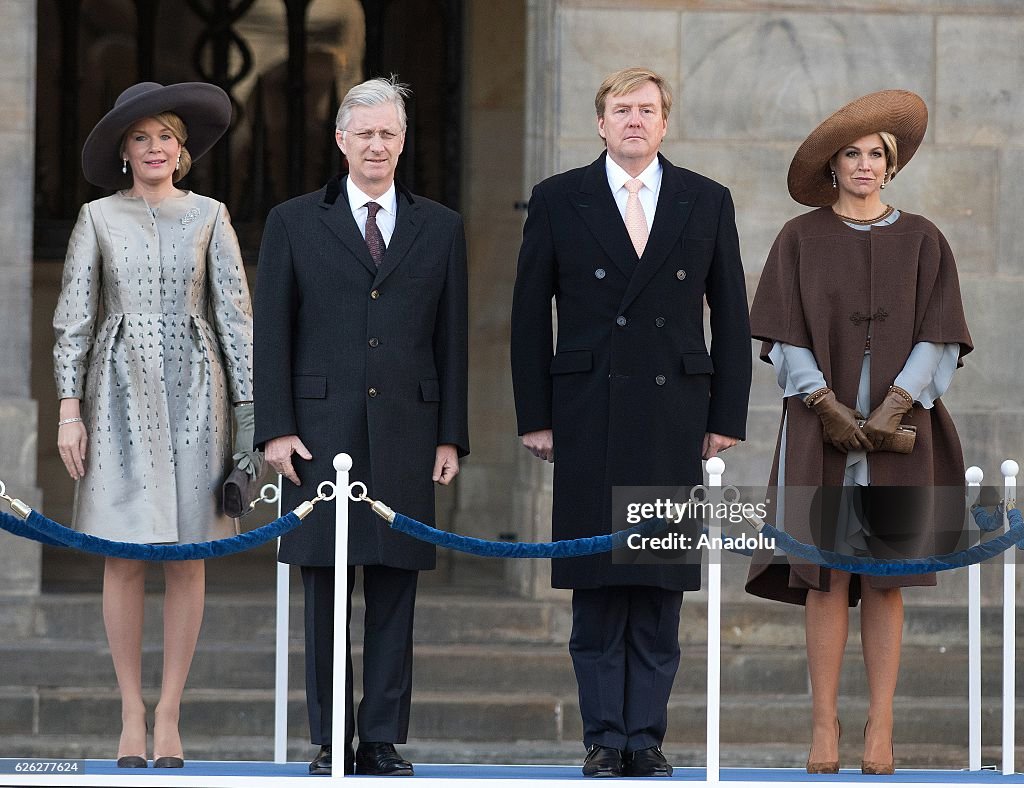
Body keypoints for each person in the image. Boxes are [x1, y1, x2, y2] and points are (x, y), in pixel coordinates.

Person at [510, 67, 751, 778]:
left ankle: (643, 738)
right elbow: (528, 318)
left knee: (656, 585)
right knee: (596, 585)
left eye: (647, 110)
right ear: (601, 123)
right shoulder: (560, 199)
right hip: (586, 411)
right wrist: (536, 416)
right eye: (622, 110)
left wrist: (725, 414)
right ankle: (601, 737)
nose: (635, 121)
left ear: (665, 122)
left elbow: (731, 315)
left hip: (675, 411)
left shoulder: (705, 200)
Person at [744, 90, 973, 775]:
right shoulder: (800, 238)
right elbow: (782, 333)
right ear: (832, 167)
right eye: (853, 154)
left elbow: (941, 331)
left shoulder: (925, 237)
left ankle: (881, 723)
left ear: (891, 164)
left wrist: (897, 403)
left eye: (877, 153)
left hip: (904, 428)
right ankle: (824, 725)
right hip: (822, 428)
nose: (865, 164)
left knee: (884, 577)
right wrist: (826, 405)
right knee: (825, 575)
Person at [253, 75, 468, 777]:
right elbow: (273, 336)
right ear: (341, 140)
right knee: (325, 588)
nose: (377, 145)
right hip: (319, 431)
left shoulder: (440, 225)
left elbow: (452, 338)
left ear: (404, 143)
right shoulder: (292, 221)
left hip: (410, 425)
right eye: (365, 133)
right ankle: (329, 738)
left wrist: (450, 434)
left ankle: (379, 737)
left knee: (396, 585)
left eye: (390, 134)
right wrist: (275, 430)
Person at [53, 82, 255, 769]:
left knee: (188, 556)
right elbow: (75, 319)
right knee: (124, 554)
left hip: (199, 391)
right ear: (123, 151)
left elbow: (236, 321)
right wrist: (68, 411)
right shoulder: (96, 218)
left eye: (165, 135)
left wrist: (249, 428)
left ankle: (170, 714)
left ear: (183, 148)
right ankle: (129, 714)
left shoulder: (212, 216)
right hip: (117, 392)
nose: (155, 148)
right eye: (140, 138)